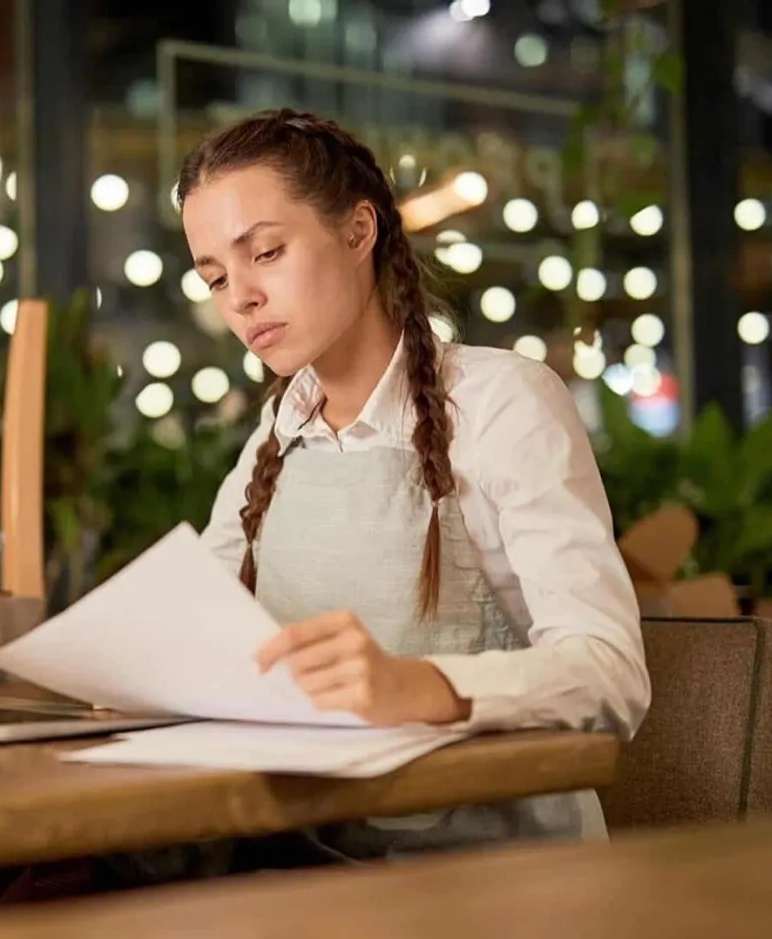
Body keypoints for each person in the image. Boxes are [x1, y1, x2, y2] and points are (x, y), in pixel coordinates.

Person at [179, 108, 651, 858]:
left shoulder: (501, 403)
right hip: (312, 852)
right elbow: (195, 622)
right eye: (215, 277)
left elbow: (611, 674)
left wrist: (418, 687)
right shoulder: (278, 431)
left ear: (358, 231)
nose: (240, 296)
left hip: (491, 870)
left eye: (265, 252)